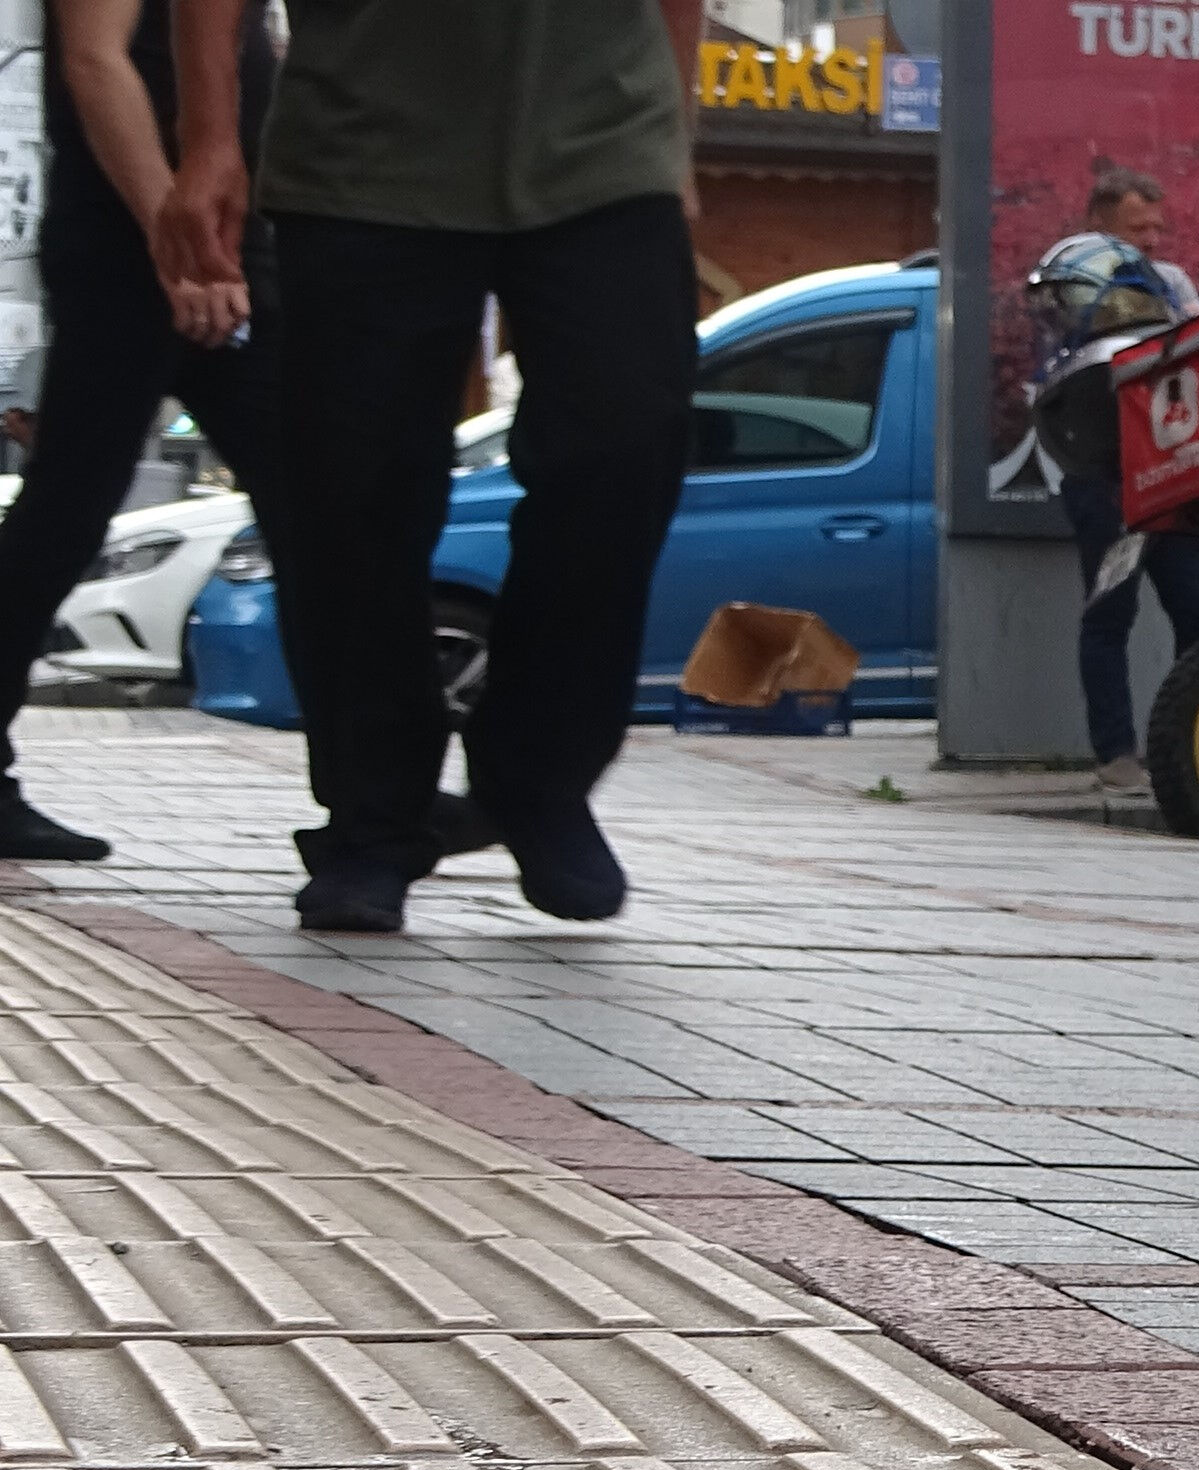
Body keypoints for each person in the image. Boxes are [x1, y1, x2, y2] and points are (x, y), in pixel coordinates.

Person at [160, 0, 704, 934]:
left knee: (625, 444)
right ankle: (373, 819)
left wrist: (676, 135)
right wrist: (209, 139)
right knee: (353, 490)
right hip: (364, 145)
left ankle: (538, 776)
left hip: (607, 142)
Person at [0, 0, 280, 863]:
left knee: (322, 508)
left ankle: (377, 800)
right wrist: (177, 240)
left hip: (232, 233)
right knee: (67, 511)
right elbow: (95, 60)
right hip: (138, 234)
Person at [1048, 170, 1199, 800]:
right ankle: (1116, 753)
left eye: (1156, 228)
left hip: (1172, 469)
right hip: (1103, 475)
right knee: (1110, 613)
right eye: (1135, 229)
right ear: (1099, 224)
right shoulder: (1070, 278)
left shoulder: (1171, 282)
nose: (1150, 240)